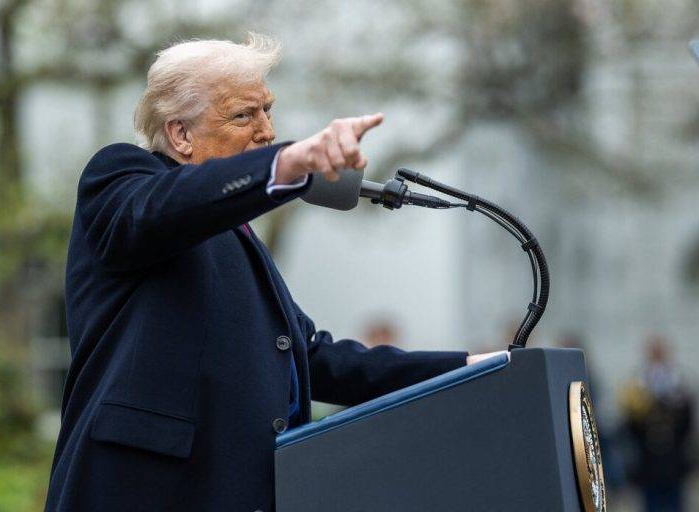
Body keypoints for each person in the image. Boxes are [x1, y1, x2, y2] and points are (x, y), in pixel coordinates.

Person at [44, 34, 504, 511]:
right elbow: (163, 211)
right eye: (244, 115)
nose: (266, 131)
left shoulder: (236, 234)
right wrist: (286, 163)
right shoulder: (121, 178)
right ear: (180, 134)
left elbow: (314, 358)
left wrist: (465, 368)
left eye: (268, 110)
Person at [621, 336, 695, 512]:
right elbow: (631, 425)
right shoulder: (638, 384)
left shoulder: (677, 382)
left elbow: (686, 422)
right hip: (648, 460)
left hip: (673, 460)